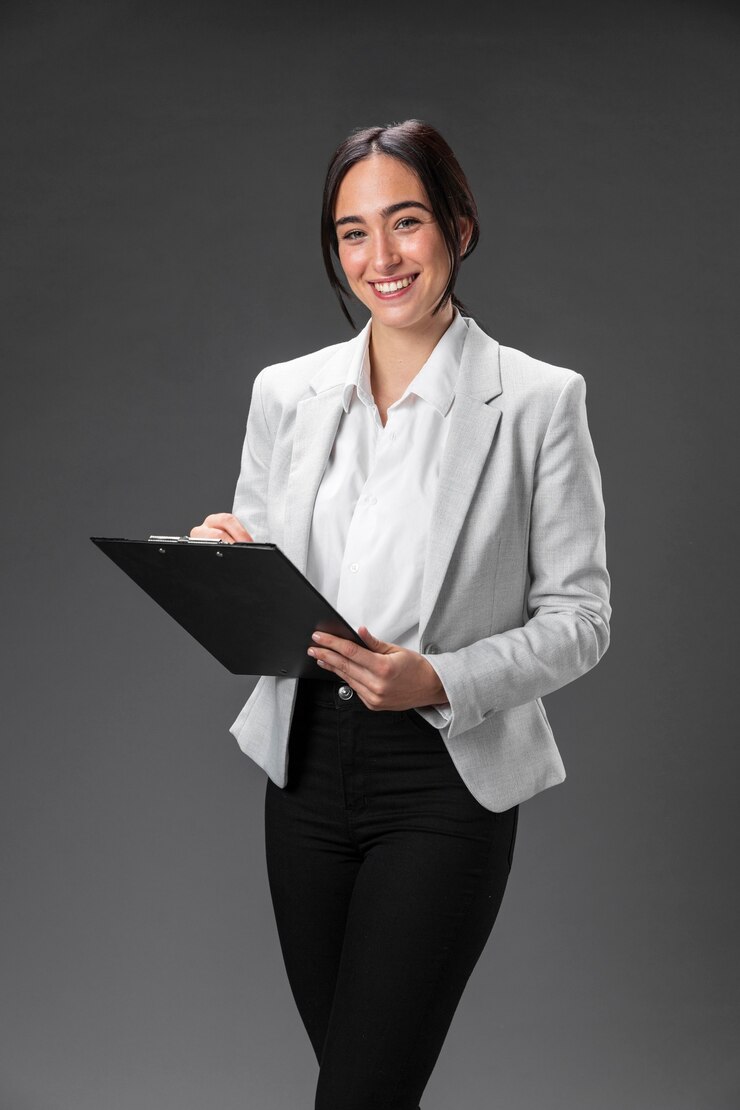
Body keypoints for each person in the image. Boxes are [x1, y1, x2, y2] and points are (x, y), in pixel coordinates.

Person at [191, 119, 611, 1110]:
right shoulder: (285, 393)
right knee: (356, 1083)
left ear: (457, 229)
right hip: (299, 771)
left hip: (442, 777)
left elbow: (582, 616)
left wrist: (440, 678)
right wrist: (221, 566)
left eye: (405, 222)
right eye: (350, 233)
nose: (378, 258)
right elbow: (267, 563)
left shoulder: (539, 402)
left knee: (361, 1094)